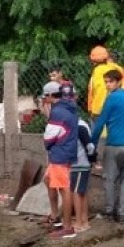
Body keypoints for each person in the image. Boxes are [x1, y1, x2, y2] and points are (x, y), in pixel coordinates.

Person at [90, 70, 124, 223]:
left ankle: (109, 210)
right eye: (106, 82)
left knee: (110, 179)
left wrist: (91, 143)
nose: (107, 85)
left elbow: (100, 123)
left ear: (118, 82)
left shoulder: (111, 99)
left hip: (114, 145)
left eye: (110, 81)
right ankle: (123, 213)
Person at [41, 81, 79, 238]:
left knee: (64, 189)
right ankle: (55, 216)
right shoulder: (67, 108)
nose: (44, 99)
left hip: (60, 154)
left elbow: (49, 136)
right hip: (65, 151)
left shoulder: (57, 112)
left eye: (45, 96)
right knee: (48, 179)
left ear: (51, 96)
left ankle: (67, 227)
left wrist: (48, 144)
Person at [87, 46, 124, 128]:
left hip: (103, 111)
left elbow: (101, 91)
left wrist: (96, 112)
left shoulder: (99, 71)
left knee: (101, 139)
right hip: (121, 108)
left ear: (93, 61)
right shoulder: (118, 69)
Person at [72, 112, 97, 233]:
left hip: (80, 165)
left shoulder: (79, 127)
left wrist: (92, 160)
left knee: (76, 192)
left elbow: (90, 146)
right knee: (82, 192)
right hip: (81, 164)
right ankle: (84, 221)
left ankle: (79, 223)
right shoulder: (80, 125)